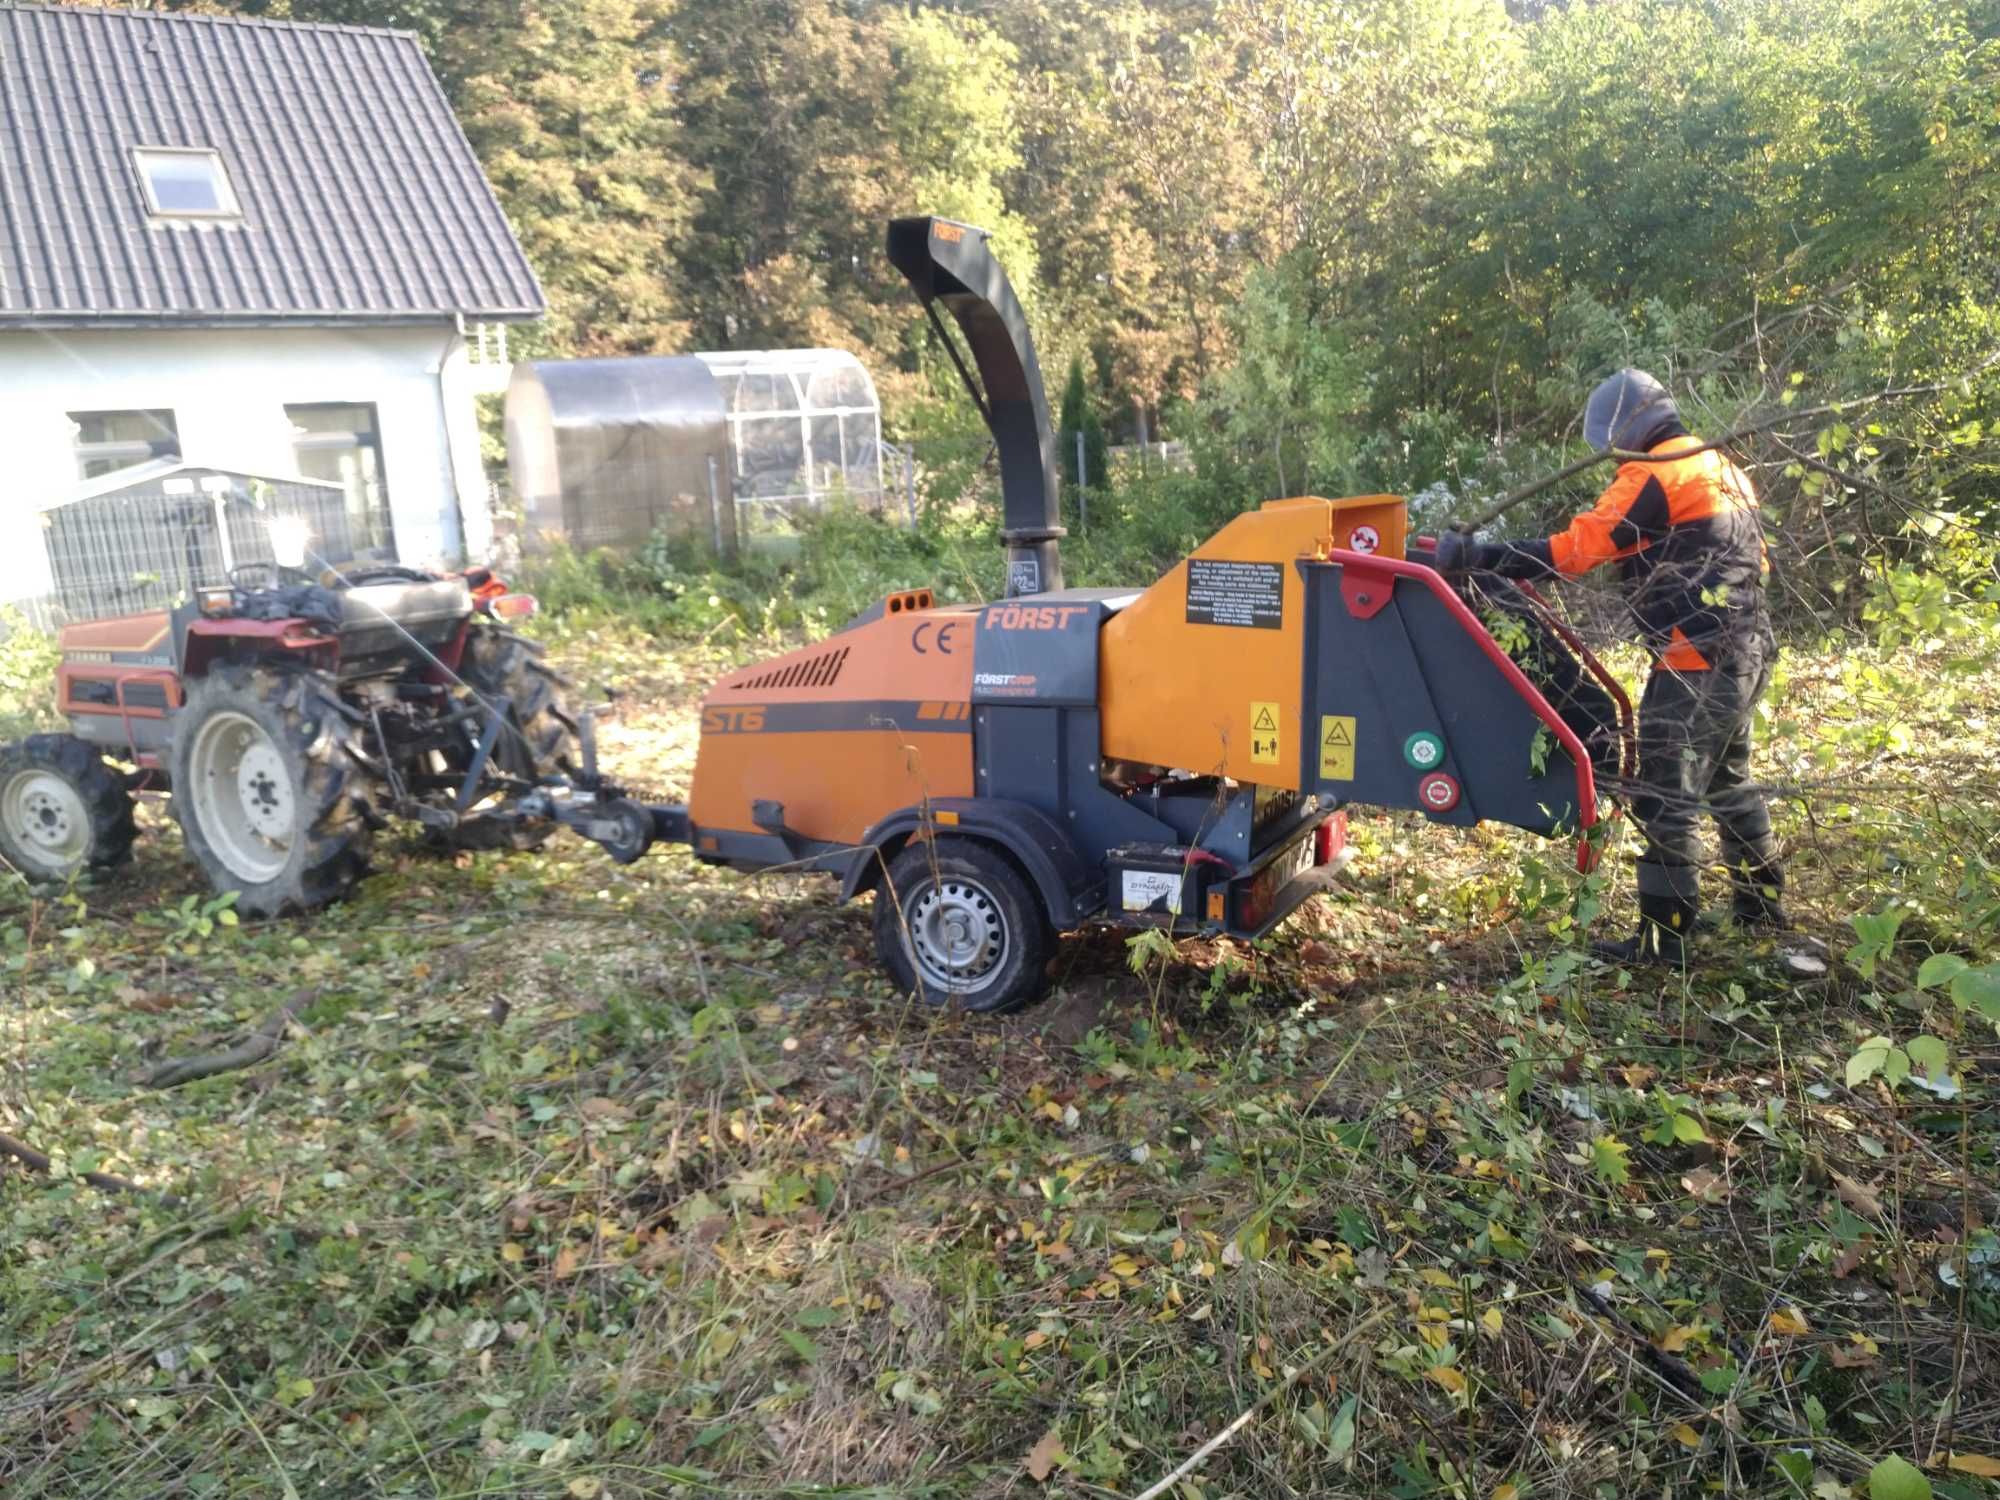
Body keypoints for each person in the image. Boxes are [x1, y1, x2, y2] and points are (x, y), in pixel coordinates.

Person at [1436, 368, 1789, 964]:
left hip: (1696, 660)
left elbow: (1578, 549)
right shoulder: (1721, 466)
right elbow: (1760, 563)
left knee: (1662, 792)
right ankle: (1761, 907)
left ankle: (1665, 937)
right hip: (1749, 649)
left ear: (1627, 429)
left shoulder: (1654, 475)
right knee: (1729, 780)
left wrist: (1479, 556)